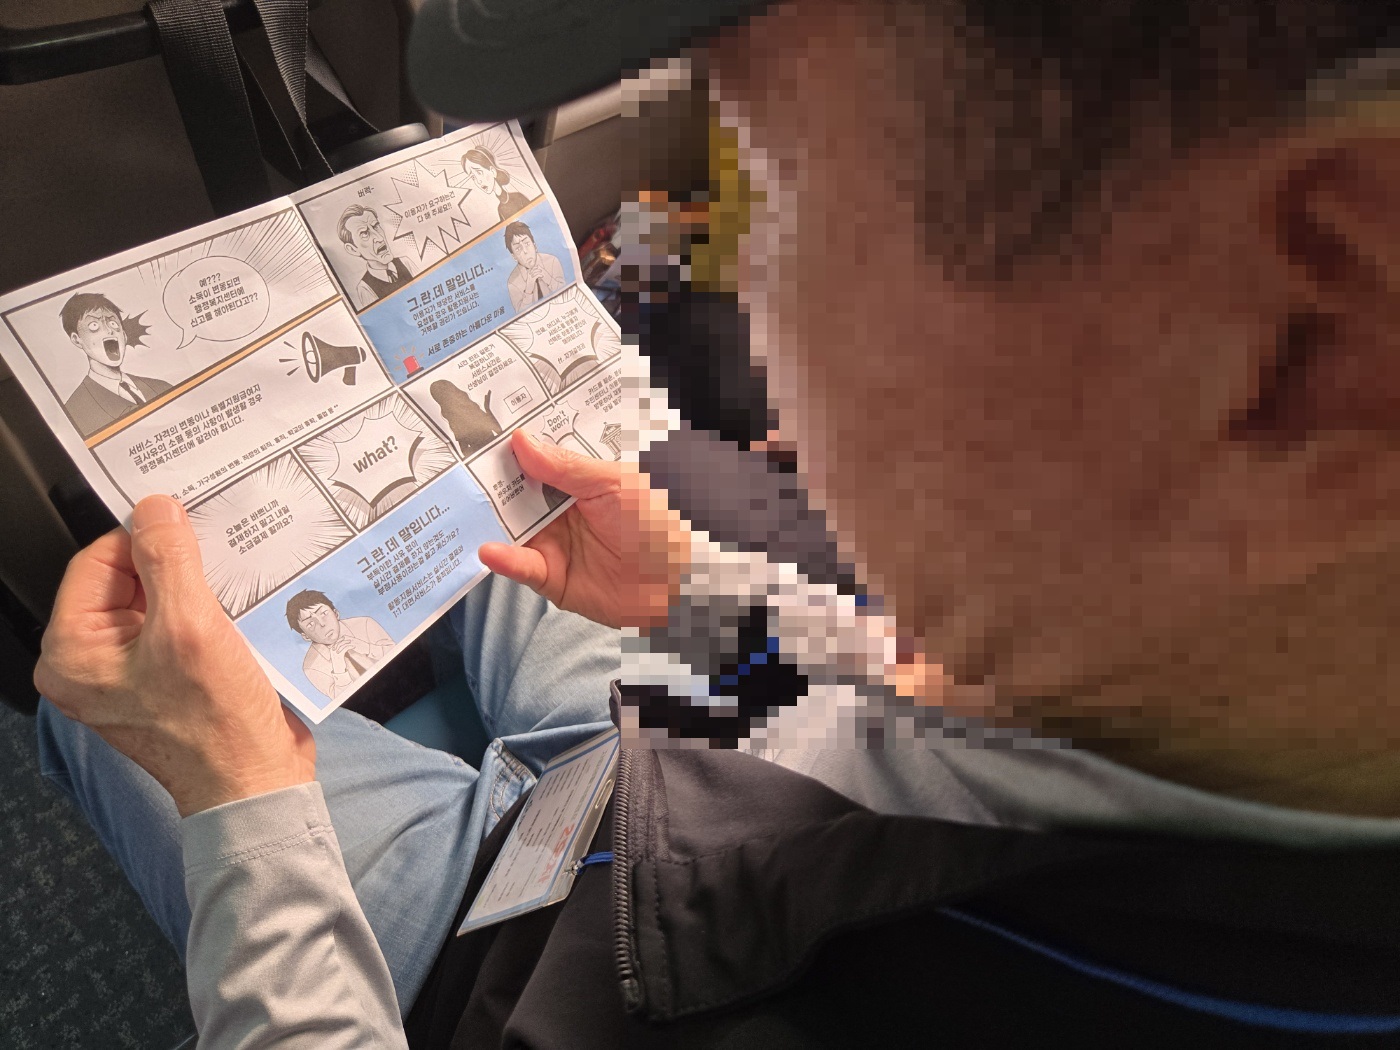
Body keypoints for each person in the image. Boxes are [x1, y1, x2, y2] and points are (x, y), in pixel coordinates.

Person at [33, 1, 1400, 1047]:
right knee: (482, 481)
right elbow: (956, 752)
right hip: (667, 759)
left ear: (1327, 329)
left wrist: (244, 805)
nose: (736, 277)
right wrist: (697, 600)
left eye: (786, 185)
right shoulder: (1264, 703)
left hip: (503, 966)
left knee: (93, 704)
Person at [59, 292, 172, 438]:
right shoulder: (74, 413)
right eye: (94, 325)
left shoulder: (162, 387)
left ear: (124, 336)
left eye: (113, 323)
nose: (109, 330)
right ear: (76, 339)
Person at [285, 590, 395, 702]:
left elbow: (395, 650)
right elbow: (340, 700)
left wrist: (366, 647)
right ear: (306, 636)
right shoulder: (311, 666)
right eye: (310, 624)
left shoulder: (364, 624)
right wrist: (338, 668)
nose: (322, 624)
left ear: (336, 613)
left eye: (324, 614)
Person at [339, 204, 416, 308]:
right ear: (353, 249)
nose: (379, 238)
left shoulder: (405, 262)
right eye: (364, 233)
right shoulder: (365, 288)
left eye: (376, 226)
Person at [502, 221, 566, 311]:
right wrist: (529, 289)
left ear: (534, 245)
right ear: (514, 257)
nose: (525, 251)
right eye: (518, 248)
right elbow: (520, 313)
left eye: (527, 244)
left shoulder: (552, 261)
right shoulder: (513, 282)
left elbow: (567, 293)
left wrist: (548, 278)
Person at [461, 146, 532, 223]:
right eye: (473, 177)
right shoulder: (500, 209)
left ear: (493, 171)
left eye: (479, 172)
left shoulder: (518, 197)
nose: (478, 181)